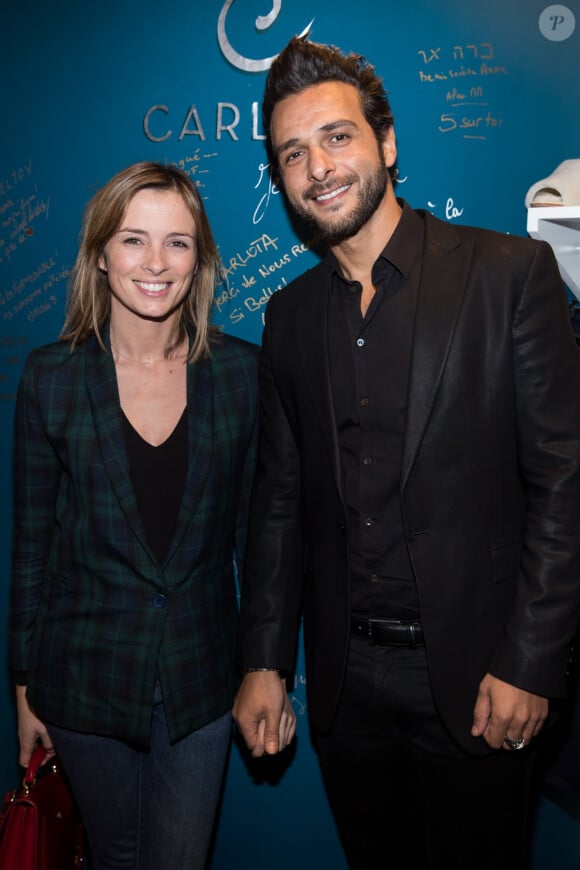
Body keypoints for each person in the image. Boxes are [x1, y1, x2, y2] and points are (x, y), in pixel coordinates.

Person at [232, 36, 580, 870]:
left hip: (482, 676)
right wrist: (264, 662)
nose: (318, 166)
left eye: (337, 137)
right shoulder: (287, 318)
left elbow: (565, 485)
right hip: (348, 692)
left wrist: (531, 662)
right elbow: (278, 503)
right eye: (293, 152)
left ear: (386, 143)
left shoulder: (509, 276)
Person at [10, 161, 259, 870]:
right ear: (99, 255)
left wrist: (263, 666)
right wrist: (23, 692)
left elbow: (256, 540)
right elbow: (32, 549)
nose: (156, 263)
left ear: (201, 258)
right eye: (133, 240)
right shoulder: (51, 378)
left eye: (177, 242)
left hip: (201, 675)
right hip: (81, 677)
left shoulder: (241, 375)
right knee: (116, 855)